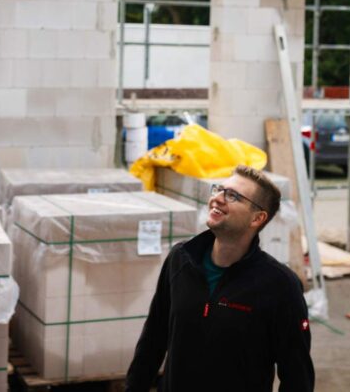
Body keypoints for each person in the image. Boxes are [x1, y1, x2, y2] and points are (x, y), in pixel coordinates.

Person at [125, 165, 314, 391]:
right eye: (219, 189)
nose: (218, 198)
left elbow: (297, 376)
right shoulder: (181, 259)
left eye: (233, 196)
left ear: (257, 218)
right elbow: (153, 339)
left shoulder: (280, 286)